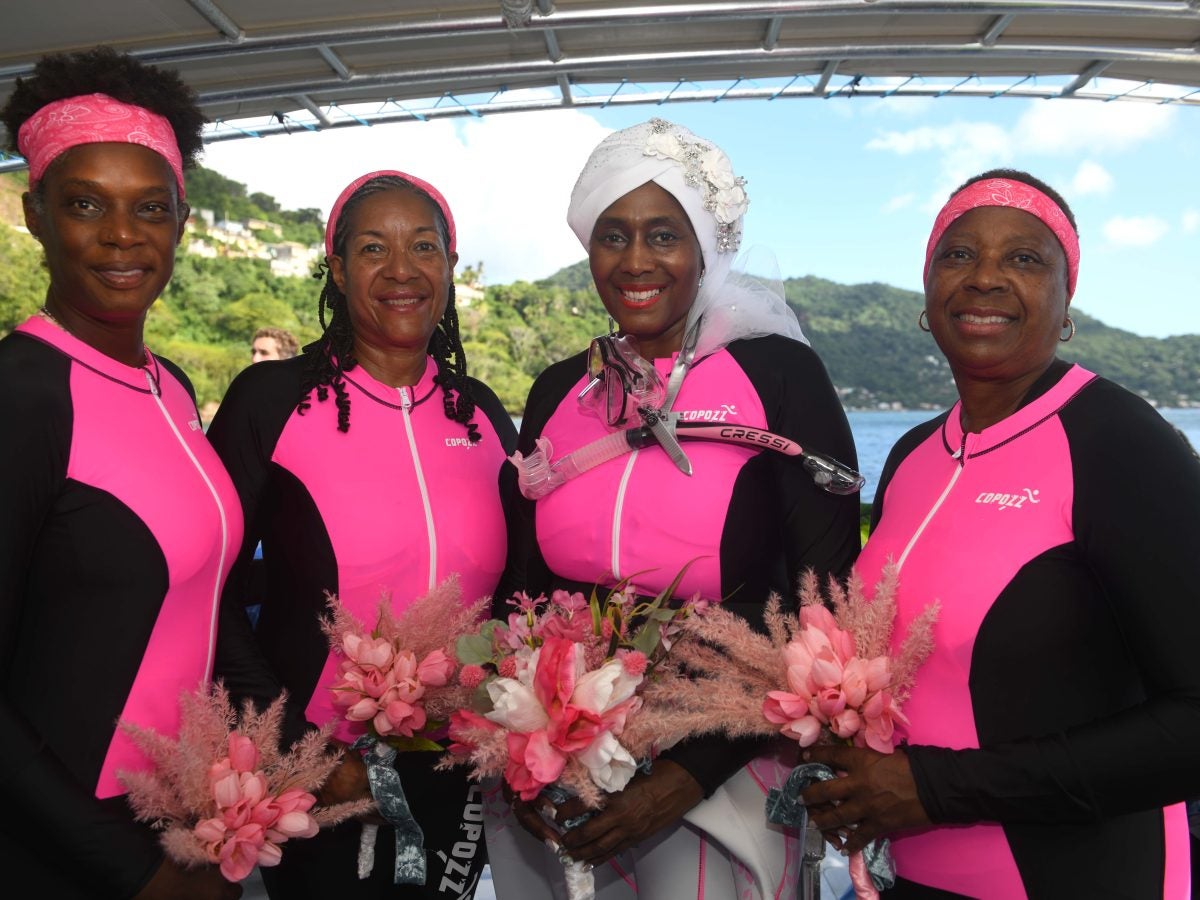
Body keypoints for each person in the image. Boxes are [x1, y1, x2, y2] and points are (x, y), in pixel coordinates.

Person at [801, 170, 1200, 898]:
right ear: (927, 293)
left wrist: (937, 788)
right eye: (958, 256)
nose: (985, 277)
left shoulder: (1124, 446)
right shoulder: (913, 455)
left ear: (1066, 298)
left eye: (1024, 259)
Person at [493, 118, 862, 899]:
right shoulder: (562, 389)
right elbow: (523, 588)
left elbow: (825, 607)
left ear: (704, 248)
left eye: (663, 234)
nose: (634, 261)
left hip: (724, 774)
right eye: (611, 235)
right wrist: (529, 745)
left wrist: (685, 778)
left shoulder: (781, 376)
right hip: (564, 777)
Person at [208, 170, 516, 899]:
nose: (402, 270)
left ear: (450, 266)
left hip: (461, 767)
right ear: (338, 270)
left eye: (425, 248)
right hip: (325, 769)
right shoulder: (272, 399)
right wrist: (296, 748)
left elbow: (523, 590)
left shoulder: (480, 412)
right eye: (374, 248)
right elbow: (202, 585)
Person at [0, 48, 244, 899]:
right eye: (84, 205)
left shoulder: (168, 386)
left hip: (185, 824)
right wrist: (130, 871)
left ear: (180, 220)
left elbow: (202, 603)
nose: (120, 235)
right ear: (35, 213)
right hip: (63, 852)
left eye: (149, 208)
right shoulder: (22, 395)